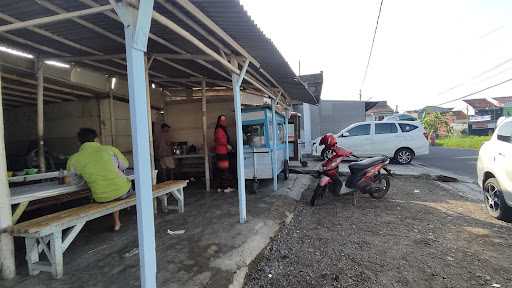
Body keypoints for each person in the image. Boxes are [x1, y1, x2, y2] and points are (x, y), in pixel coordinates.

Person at [66, 128, 132, 231]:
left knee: (107, 193)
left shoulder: (74, 159)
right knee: (117, 190)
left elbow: (74, 181)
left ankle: (117, 222)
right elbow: (125, 165)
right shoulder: (110, 149)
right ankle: (118, 221)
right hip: (123, 191)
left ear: (79, 142)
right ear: (96, 139)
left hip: (101, 197)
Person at [214, 114, 234, 192]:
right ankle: (225, 187)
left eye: (224, 119)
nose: (224, 121)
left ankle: (220, 187)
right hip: (222, 152)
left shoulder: (220, 129)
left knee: (221, 170)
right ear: (219, 121)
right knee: (224, 170)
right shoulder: (219, 129)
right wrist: (227, 145)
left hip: (220, 151)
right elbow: (220, 139)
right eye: (222, 120)